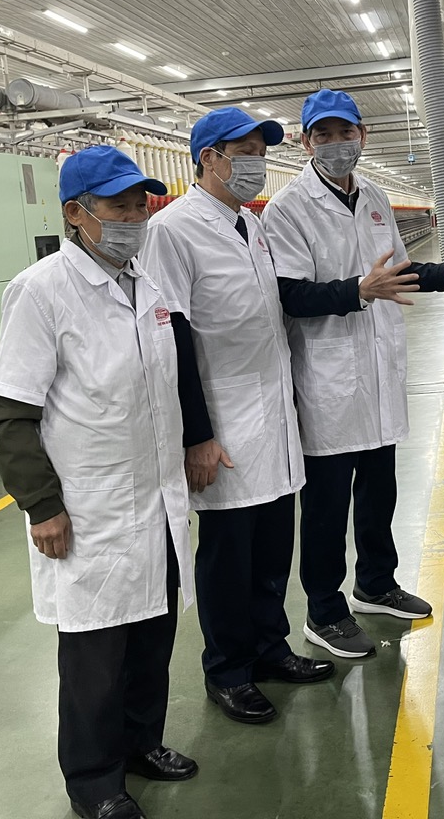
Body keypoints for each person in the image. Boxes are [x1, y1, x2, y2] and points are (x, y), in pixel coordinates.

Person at [0, 145, 197, 819]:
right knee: (95, 658)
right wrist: (40, 505)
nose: (134, 216)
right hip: (90, 508)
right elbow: (11, 411)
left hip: (157, 499)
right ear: (76, 213)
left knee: (152, 638)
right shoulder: (42, 290)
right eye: (118, 206)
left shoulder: (147, 285)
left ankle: (141, 744)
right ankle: (95, 782)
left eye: (140, 204)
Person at [261, 88, 444, 659]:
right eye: (323, 135)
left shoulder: (373, 196)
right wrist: (357, 290)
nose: (335, 144)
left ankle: (376, 583)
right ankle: (324, 611)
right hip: (327, 381)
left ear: (362, 136)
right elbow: (290, 295)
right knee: (327, 508)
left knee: (380, 491)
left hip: (377, 374)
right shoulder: (289, 208)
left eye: (344, 132)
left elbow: (397, 272)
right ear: (306, 143)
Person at [141, 107, 334, 727]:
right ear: (209, 159)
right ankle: (228, 670)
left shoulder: (250, 224)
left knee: (273, 546)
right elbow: (173, 337)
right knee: (229, 555)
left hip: (271, 416)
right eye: (244, 151)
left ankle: (270, 648)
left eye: (261, 151)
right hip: (222, 419)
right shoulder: (173, 230)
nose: (256, 162)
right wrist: (197, 435)